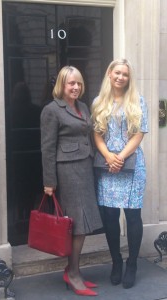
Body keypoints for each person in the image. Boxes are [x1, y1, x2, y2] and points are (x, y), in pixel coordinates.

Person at [40, 66, 102, 296]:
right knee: (76, 225)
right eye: (71, 83)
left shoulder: (83, 107)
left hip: (85, 168)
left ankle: (74, 269)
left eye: (78, 83)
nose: (76, 87)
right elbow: (47, 148)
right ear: (62, 86)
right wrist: (49, 182)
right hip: (67, 172)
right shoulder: (51, 110)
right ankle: (73, 273)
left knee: (82, 224)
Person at [91, 58, 148, 289]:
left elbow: (139, 133)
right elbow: (96, 134)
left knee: (133, 216)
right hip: (107, 166)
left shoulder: (138, 101)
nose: (120, 77)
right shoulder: (98, 102)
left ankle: (132, 263)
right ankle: (116, 261)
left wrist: (120, 157)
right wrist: (109, 157)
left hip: (132, 164)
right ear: (109, 74)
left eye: (125, 74)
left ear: (128, 78)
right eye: (117, 73)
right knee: (110, 217)